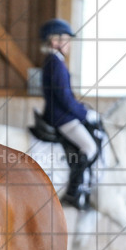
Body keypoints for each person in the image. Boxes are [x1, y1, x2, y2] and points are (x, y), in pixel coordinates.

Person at [40, 18, 102, 211]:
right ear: (54, 40)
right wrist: (84, 114)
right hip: (61, 117)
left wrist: (82, 108)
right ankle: (73, 192)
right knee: (90, 147)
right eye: (65, 39)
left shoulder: (54, 61)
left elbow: (67, 96)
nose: (68, 44)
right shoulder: (55, 63)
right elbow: (65, 99)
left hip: (60, 113)